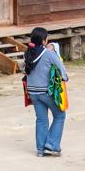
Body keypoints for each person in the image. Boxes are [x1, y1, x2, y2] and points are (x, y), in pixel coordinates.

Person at [24, 27, 68, 157]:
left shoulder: (27, 53)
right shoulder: (48, 53)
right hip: (45, 91)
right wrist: (65, 77)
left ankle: (40, 149)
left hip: (32, 92)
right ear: (44, 41)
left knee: (41, 119)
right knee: (60, 115)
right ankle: (52, 145)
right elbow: (61, 68)